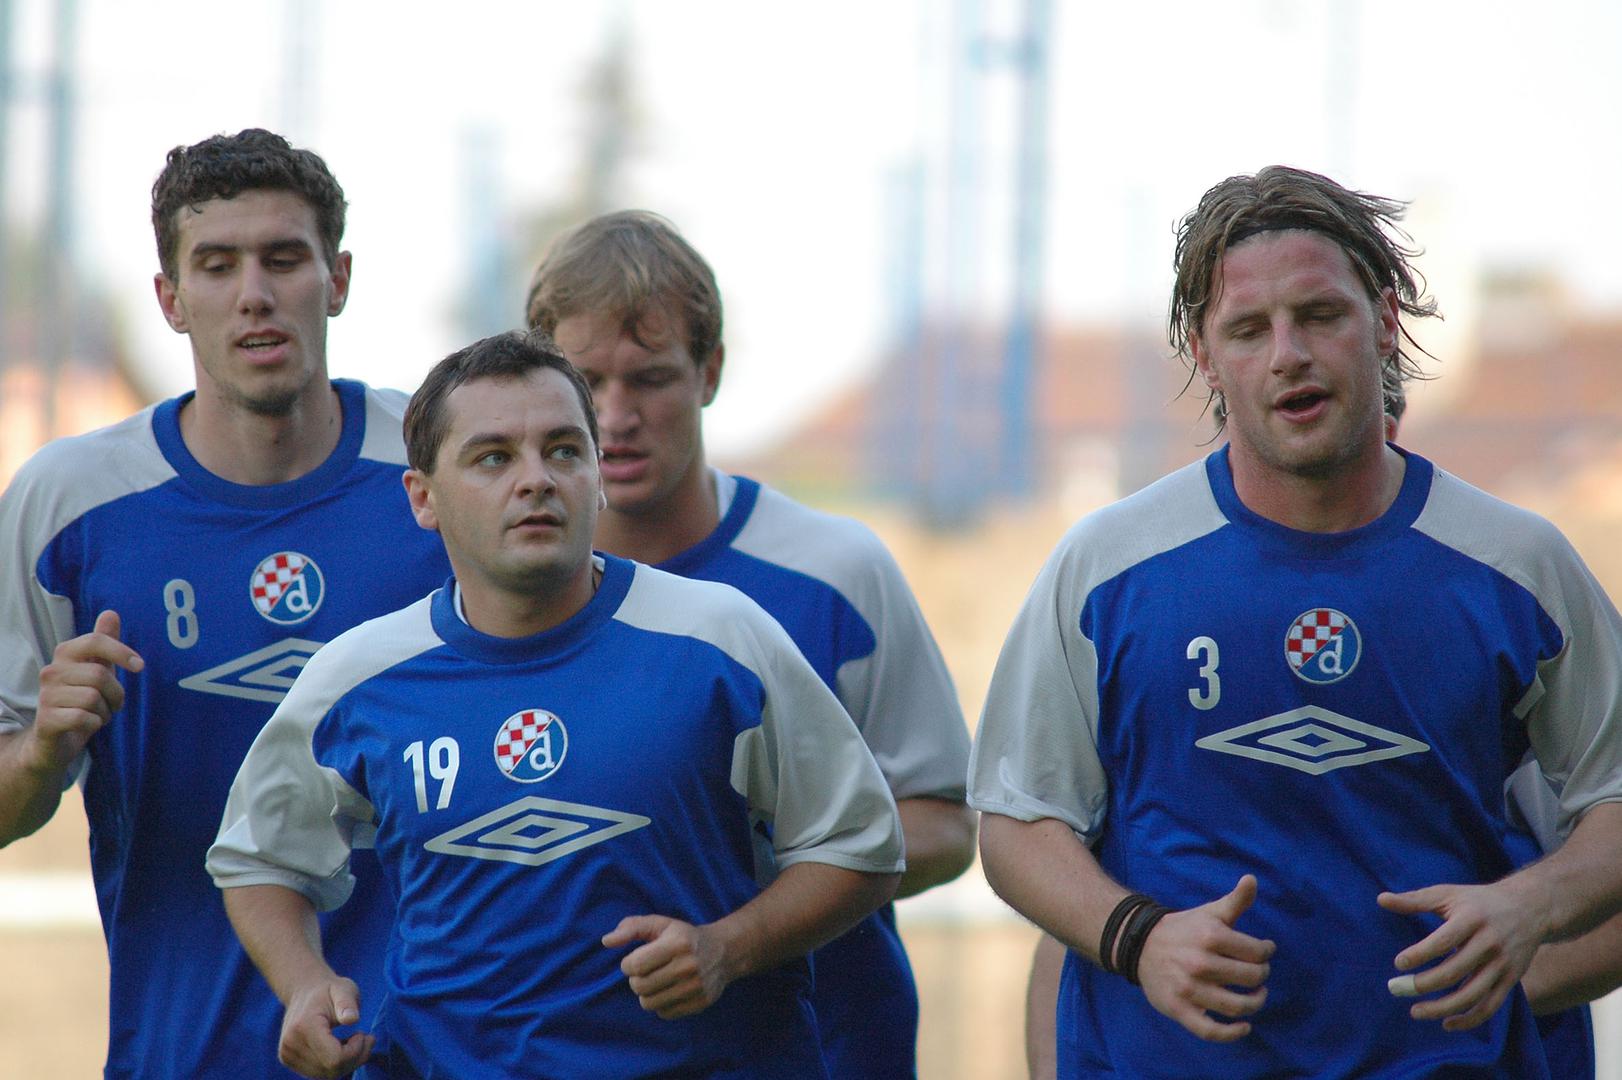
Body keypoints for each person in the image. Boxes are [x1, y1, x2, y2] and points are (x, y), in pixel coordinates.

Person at [971, 165, 1622, 1078]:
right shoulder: (1107, 569)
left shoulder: (1518, 565)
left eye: (1319, 315)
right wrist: (1138, 937)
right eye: (1249, 329)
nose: (1288, 354)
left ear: (1384, 321)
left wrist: (1532, 907)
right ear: (1204, 356)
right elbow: (1018, 821)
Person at [207, 331, 905, 1079]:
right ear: (423, 497)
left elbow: (860, 844)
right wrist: (305, 984)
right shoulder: (357, 676)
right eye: (493, 458)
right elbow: (260, 857)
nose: (536, 479)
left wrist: (726, 949)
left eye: (565, 451)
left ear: (598, 477)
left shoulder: (720, 639)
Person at [0, 129, 452, 1077]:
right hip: (183, 1049)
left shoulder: (442, 474)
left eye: (284, 259)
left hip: (427, 1050)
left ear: (337, 279)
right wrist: (42, 748)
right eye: (217, 265)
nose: (255, 293)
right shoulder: (68, 506)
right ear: (171, 299)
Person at [524, 210, 975, 1076]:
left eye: (651, 378)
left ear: (711, 371)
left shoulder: (835, 572)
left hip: (826, 1049)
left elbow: (946, 825)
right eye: (586, 381)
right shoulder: (505, 594)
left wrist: (749, 890)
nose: (615, 415)